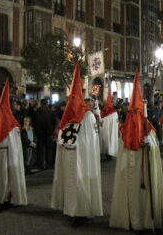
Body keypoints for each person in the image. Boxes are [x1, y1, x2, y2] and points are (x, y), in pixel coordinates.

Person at [110, 71, 163, 231]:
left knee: (141, 196)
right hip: (129, 171)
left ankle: (143, 220)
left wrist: (148, 144)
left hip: (143, 174)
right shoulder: (124, 131)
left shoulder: (148, 129)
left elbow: (153, 149)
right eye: (131, 113)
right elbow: (121, 150)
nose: (133, 117)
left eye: (136, 113)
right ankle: (129, 218)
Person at [51, 63, 103, 227]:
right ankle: (71, 210)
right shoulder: (67, 117)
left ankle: (82, 213)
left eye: (74, 99)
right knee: (71, 184)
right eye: (70, 99)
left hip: (82, 158)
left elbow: (91, 140)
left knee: (81, 183)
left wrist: (79, 146)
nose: (71, 102)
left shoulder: (87, 116)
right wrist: (63, 144)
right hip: (70, 157)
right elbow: (62, 136)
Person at [0, 79, 27, 208]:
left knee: (7, 177)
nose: (16, 105)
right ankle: (4, 198)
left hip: (8, 152)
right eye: (13, 103)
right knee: (4, 176)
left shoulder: (7, 117)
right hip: (4, 152)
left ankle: (8, 197)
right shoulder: (1, 117)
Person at [34, 98, 56, 169]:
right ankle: (48, 164)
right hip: (49, 133)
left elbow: (34, 122)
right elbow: (54, 122)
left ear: (41, 103)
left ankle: (40, 164)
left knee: (40, 149)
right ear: (47, 104)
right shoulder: (51, 112)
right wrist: (52, 129)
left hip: (40, 133)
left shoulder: (37, 111)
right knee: (49, 149)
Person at [100, 90, 119, 160]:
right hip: (110, 131)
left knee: (107, 141)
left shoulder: (108, 113)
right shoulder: (114, 113)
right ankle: (109, 154)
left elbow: (102, 121)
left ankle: (108, 154)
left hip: (107, 130)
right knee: (109, 141)